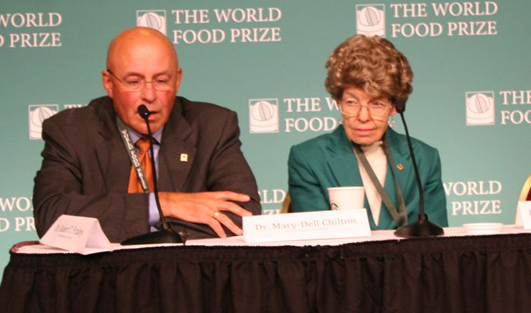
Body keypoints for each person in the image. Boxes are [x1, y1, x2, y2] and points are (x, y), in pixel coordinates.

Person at [33, 27, 261, 242]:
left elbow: (242, 217)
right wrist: (164, 205)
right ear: (109, 83)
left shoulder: (213, 126)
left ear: (178, 79)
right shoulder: (71, 131)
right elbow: (53, 218)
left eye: (162, 81)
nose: (149, 95)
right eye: (134, 82)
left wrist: (128, 224)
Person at [288, 35, 448, 229]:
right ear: (338, 102)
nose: (363, 116)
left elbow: (437, 240)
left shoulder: (423, 158)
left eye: (377, 103)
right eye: (352, 102)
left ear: (395, 106)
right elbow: (315, 243)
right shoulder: (309, 158)